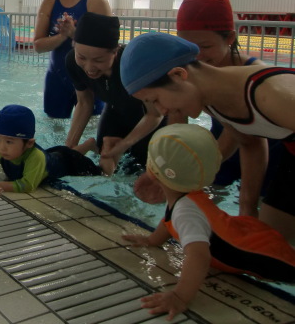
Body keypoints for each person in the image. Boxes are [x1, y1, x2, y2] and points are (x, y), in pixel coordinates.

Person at [120, 32, 295, 241]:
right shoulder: (212, 99)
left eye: (156, 99)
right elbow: (250, 143)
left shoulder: (271, 95)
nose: (162, 110)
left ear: (178, 75)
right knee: (272, 246)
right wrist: (247, 209)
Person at [123, 124, 295, 320]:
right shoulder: (185, 198)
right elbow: (168, 220)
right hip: (256, 239)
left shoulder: (186, 212)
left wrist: (180, 296)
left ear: (153, 170)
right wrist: (152, 240)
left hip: (276, 262)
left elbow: (199, 257)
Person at [174, 0, 283, 190]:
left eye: (205, 46)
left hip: (271, 150)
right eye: (187, 47)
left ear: (230, 38)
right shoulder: (188, 69)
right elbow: (177, 117)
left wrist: (199, 167)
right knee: (203, 195)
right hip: (222, 139)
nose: (196, 55)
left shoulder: (253, 76)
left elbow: (246, 138)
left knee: (259, 198)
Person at [65, 13, 164, 174]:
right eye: (82, 57)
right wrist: (69, 147)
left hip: (148, 117)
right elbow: (84, 103)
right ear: (74, 45)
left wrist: (124, 145)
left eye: (98, 60)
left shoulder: (133, 66)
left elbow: (155, 115)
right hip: (115, 111)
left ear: (115, 51)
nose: (89, 68)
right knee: (104, 168)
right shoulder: (72, 62)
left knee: (137, 171)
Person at [0, 105, 100, 196]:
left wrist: (3, 185)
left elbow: (28, 185)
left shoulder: (36, 158)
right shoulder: (2, 150)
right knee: (66, 153)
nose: (2, 146)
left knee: (102, 172)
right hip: (57, 155)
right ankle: (88, 144)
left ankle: (103, 153)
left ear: (29, 143)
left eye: (9, 141)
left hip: (72, 164)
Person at [33, 0, 111, 118]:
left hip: (90, 77)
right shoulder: (49, 3)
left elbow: (107, 47)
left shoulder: (96, 2)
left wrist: (75, 34)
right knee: (54, 126)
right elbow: (38, 46)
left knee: (91, 126)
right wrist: (62, 36)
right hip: (57, 78)